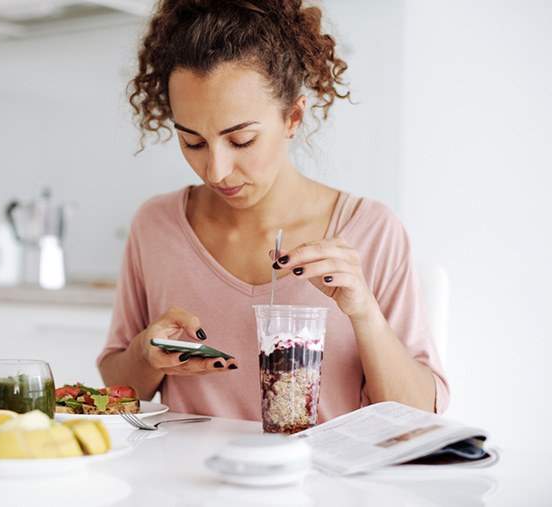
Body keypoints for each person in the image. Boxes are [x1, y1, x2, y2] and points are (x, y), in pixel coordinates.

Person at [97, 0, 449, 422]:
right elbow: (119, 391)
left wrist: (364, 314)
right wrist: (146, 355)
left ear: (293, 117)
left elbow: (419, 416)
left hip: (324, 484)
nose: (216, 170)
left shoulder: (371, 230)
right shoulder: (155, 226)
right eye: (192, 142)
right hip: (187, 483)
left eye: (241, 140)